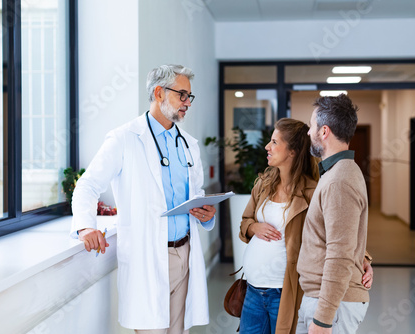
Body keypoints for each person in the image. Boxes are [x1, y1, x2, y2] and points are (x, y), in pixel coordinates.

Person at [70, 64, 216, 334]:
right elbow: (88, 185)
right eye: (182, 95)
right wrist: (85, 226)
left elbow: (197, 195)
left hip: (185, 252)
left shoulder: (187, 144)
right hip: (148, 254)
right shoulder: (124, 138)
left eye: (189, 96)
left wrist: (206, 213)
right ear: (159, 93)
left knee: (178, 331)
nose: (187, 103)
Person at [238, 118, 373, 334]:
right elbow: (245, 223)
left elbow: (338, 231)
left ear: (292, 151)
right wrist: (255, 228)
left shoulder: (313, 191)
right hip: (253, 290)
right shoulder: (263, 184)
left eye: (274, 142)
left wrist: (363, 259)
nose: (267, 147)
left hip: (285, 292)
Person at [296, 94, 371, 334]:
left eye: (312, 126)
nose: (309, 132)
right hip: (324, 300)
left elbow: (339, 255)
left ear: (324, 131)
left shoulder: (339, 180)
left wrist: (323, 321)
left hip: (331, 307)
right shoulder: (338, 173)